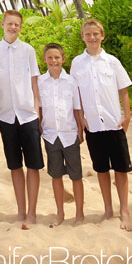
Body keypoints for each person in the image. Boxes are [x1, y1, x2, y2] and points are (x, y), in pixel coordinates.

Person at [70, 18, 132, 231]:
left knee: (121, 169)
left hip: (114, 123)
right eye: (88, 34)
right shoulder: (77, 64)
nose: (92, 38)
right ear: (83, 37)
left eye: (96, 34)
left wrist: (127, 116)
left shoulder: (112, 62)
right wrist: (80, 120)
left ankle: (124, 210)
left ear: (102, 36)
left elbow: (123, 90)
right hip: (93, 126)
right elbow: (76, 94)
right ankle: (108, 209)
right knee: (101, 169)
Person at [0, 9, 43, 228]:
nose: (13, 27)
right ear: (3, 23)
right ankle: (20, 211)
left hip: (28, 115)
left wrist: (38, 111)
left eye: (17, 25)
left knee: (33, 166)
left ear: (20, 27)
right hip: (5, 116)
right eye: (10, 23)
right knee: (14, 166)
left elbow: (34, 82)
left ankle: (32, 213)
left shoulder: (28, 50)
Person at [38, 43, 85, 226]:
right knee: (56, 175)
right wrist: (41, 127)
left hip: (69, 134)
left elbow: (77, 109)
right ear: (44, 60)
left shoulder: (71, 82)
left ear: (63, 59)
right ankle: (60, 213)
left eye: (57, 57)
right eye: (50, 57)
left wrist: (81, 131)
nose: (53, 61)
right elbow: (39, 107)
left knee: (76, 176)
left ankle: (79, 214)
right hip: (50, 135)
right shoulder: (40, 82)